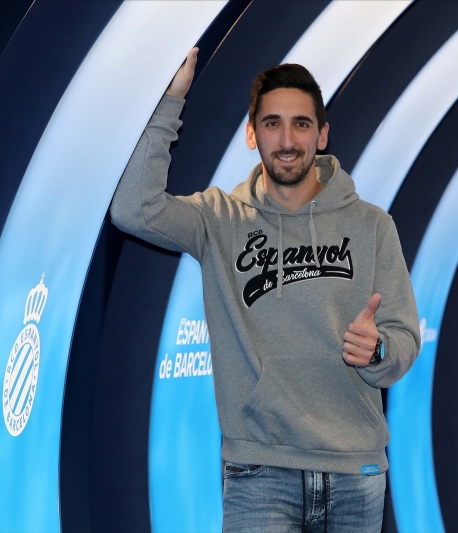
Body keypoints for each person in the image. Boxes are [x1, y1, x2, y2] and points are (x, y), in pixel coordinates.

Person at [110, 48, 421, 533]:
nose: (287, 140)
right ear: (252, 134)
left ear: (322, 135)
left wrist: (378, 349)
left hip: (356, 472)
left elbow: (404, 338)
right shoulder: (219, 218)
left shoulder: (372, 225)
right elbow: (134, 209)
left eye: (301, 124)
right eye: (272, 124)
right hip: (259, 474)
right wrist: (171, 99)